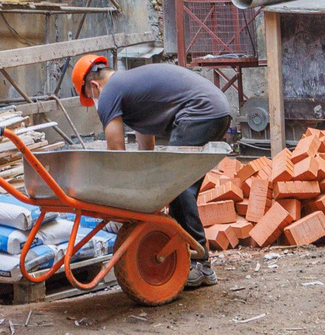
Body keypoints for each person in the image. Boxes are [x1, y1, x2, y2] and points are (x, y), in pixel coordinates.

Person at [72, 54, 230, 290]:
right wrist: (150, 193)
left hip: (199, 111)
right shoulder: (133, 91)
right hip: (216, 109)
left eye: (90, 97)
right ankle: (189, 257)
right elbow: (147, 150)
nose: (95, 104)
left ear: (94, 86)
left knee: (177, 187)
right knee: (178, 187)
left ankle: (200, 263)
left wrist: (119, 196)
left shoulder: (109, 92)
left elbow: (116, 153)